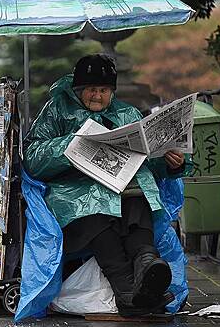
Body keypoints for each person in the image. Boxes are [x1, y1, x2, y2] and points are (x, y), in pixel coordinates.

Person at [23, 54, 190, 316]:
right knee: (96, 216)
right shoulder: (55, 110)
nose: (97, 96)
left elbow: (149, 161)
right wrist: (69, 145)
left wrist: (172, 163)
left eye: (103, 90)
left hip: (125, 189)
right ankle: (128, 290)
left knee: (138, 201)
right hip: (75, 195)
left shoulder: (128, 113)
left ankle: (146, 264)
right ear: (79, 90)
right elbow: (32, 158)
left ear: (112, 92)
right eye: (91, 90)